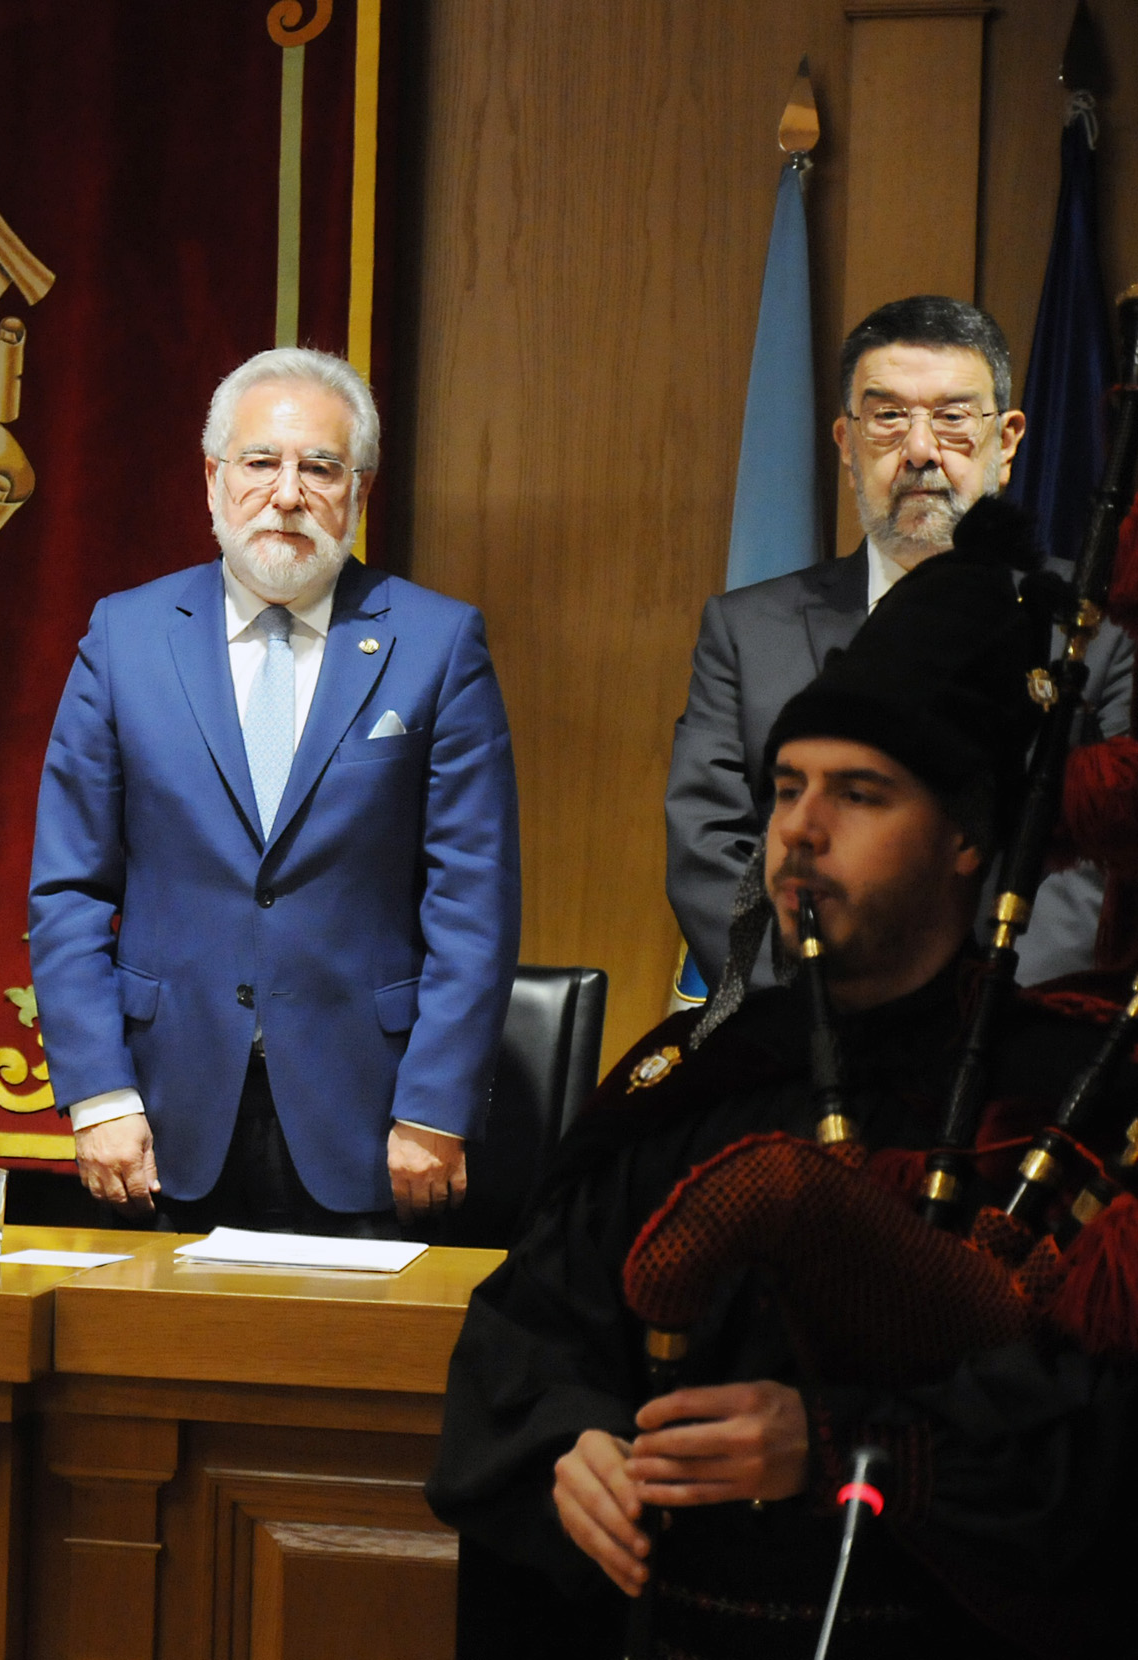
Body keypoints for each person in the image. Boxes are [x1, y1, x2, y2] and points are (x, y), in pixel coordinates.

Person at [430, 512, 1138, 1658]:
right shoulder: (692, 1078)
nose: (798, 832)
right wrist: (570, 1446)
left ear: (965, 839)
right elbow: (527, 1335)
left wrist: (838, 1446)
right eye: (785, 788)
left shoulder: (1069, 1105)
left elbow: (1096, 1452)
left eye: (858, 794)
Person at [28, 347, 521, 1235]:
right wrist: (98, 1092)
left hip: (372, 1122)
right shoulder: (126, 634)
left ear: (359, 494)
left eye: (320, 468)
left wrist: (437, 1106)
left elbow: (473, 900)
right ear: (214, 479)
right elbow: (68, 889)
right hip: (159, 1118)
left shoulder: (437, 643)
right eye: (261, 463)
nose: (288, 494)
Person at [667, 295, 1132, 994]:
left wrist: (984, 1025)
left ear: (1006, 443)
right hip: (798, 1039)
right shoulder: (746, 632)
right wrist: (830, 1014)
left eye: (951, 418)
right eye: (888, 417)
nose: (920, 450)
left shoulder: (1099, 627)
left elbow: (1109, 855)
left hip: (1018, 1045)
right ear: (846, 444)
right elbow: (710, 851)